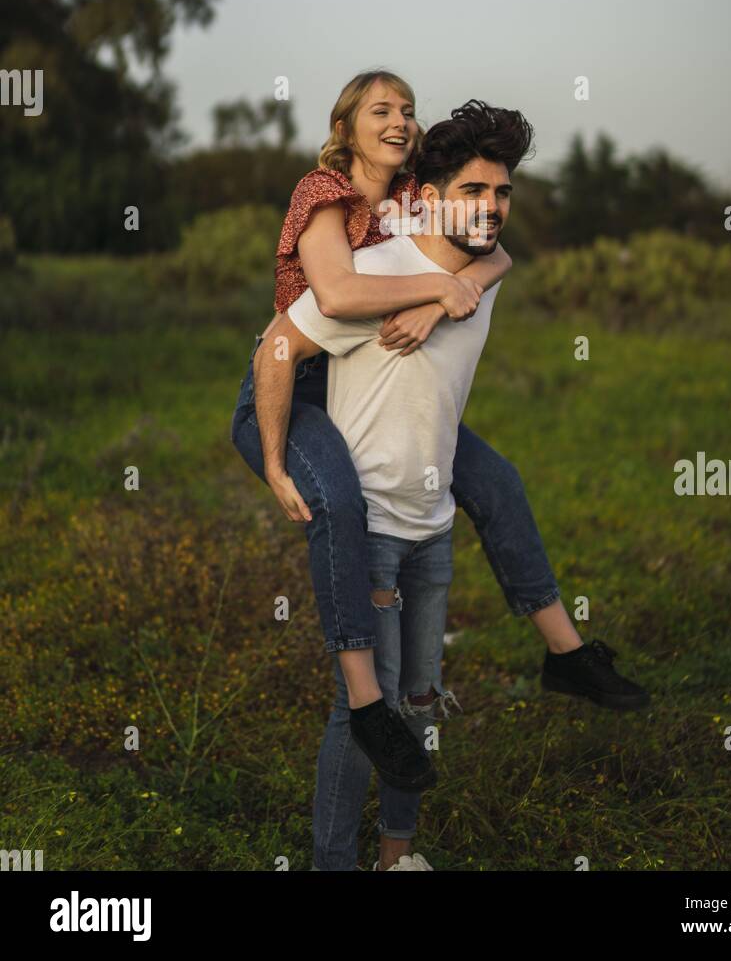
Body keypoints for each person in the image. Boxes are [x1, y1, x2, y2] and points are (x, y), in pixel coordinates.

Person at [230, 73, 649, 792]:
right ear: (346, 126)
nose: (399, 121)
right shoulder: (323, 193)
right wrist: (273, 460)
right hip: (290, 386)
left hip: (351, 374)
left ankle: (566, 654)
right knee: (341, 499)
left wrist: (443, 300)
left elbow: (495, 253)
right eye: (380, 110)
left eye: (407, 110)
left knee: (495, 480)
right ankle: (367, 704)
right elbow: (335, 294)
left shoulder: (410, 199)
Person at [276, 107, 520, 869]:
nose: (490, 204)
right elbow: (281, 344)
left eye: (503, 191)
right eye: (473, 188)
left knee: (418, 701)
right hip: (372, 528)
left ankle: (396, 855)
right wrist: (280, 461)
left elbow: (493, 259)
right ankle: (331, 863)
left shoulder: (479, 276)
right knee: (363, 712)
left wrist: (454, 287)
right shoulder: (370, 272)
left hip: (433, 528)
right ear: (430, 193)